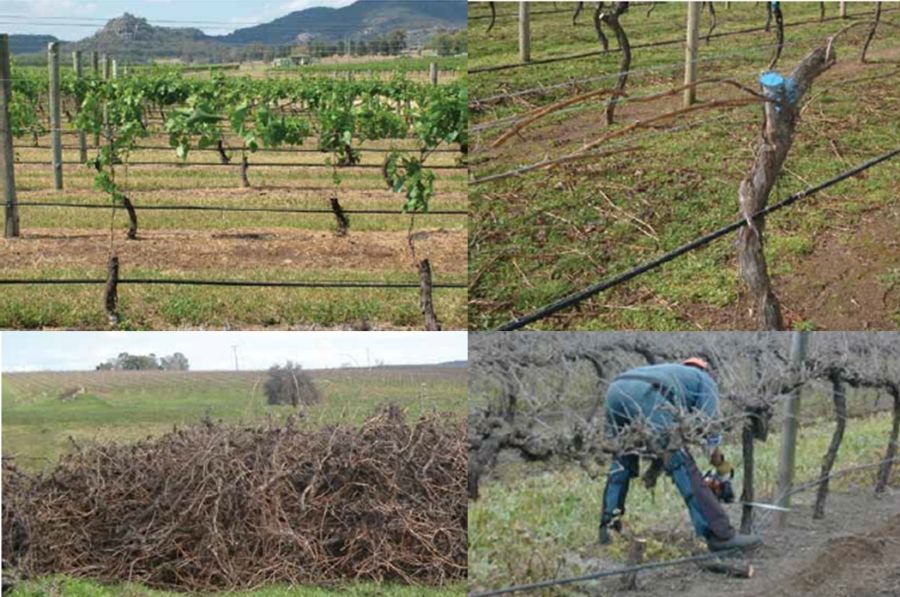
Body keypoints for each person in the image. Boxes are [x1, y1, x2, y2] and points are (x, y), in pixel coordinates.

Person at [599, 358, 761, 552]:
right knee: (680, 462)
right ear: (707, 371)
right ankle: (719, 535)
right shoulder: (704, 380)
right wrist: (721, 466)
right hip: (648, 394)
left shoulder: (672, 374)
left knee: (622, 459)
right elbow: (709, 428)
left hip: (616, 389)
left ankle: (608, 527)